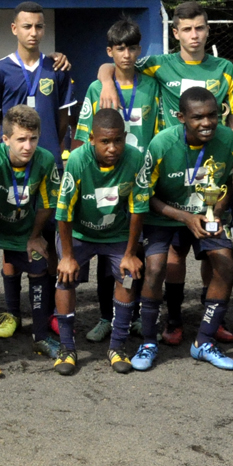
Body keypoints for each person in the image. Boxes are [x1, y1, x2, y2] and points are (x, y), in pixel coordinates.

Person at [95, 1, 233, 344]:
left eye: (200, 28)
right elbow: (116, 62)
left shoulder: (224, 68)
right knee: (170, 256)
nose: (195, 35)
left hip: (210, 171)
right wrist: (105, 82)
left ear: (208, 30)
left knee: (213, 248)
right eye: (187, 29)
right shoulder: (159, 65)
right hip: (171, 169)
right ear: (175, 32)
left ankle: (213, 317)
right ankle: (173, 319)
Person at [133, 88, 233, 372]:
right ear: (181, 117)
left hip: (205, 216)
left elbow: (227, 185)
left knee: (226, 263)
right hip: (165, 217)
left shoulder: (228, 139)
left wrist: (214, 212)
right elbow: (146, 196)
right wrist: (184, 217)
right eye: (198, 117)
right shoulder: (162, 144)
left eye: (212, 115)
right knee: (156, 267)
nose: (207, 123)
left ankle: (203, 341)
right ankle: (148, 341)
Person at [71, 18, 162, 346]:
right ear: (110, 51)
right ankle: (105, 317)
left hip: (141, 180)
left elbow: (161, 134)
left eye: (132, 47)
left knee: (133, 248)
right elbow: (83, 139)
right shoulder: (97, 89)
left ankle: (134, 314)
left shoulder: (152, 85)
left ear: (139, 49)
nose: (126, 54)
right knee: (107, 249)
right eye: (119, 48)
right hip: (107, 180)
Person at [53, 108, 147, 375]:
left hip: (117, 236)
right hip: (80, 235)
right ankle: (67, 348)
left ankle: (117, 346)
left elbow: (137, 209)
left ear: (125, 137)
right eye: (105, 141)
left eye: (118, 140)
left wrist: (130, 253)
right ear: (92, 138)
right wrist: (68, 257)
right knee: (65, 277)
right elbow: (64, 212)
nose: (112, 148)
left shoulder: (135, 159)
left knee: (128, 276)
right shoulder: (77, 160)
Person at [0, 105, 59, 350]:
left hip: (24, 229)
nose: (28, 146)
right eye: (21, 139)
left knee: (38, 266)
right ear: (5, 139)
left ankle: (40, 335)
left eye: (33, 139)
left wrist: (34, 236)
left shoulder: (45, 159)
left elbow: (47, 204)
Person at [0, 1, 76, 160]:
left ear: (44, 29)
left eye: (38, 27)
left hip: (49, 159)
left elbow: (62, 121)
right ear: (14, 29)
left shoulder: (57, 68)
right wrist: (10, 145)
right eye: (27, 27)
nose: (33, 33)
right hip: (12, 162)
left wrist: (50, 143)